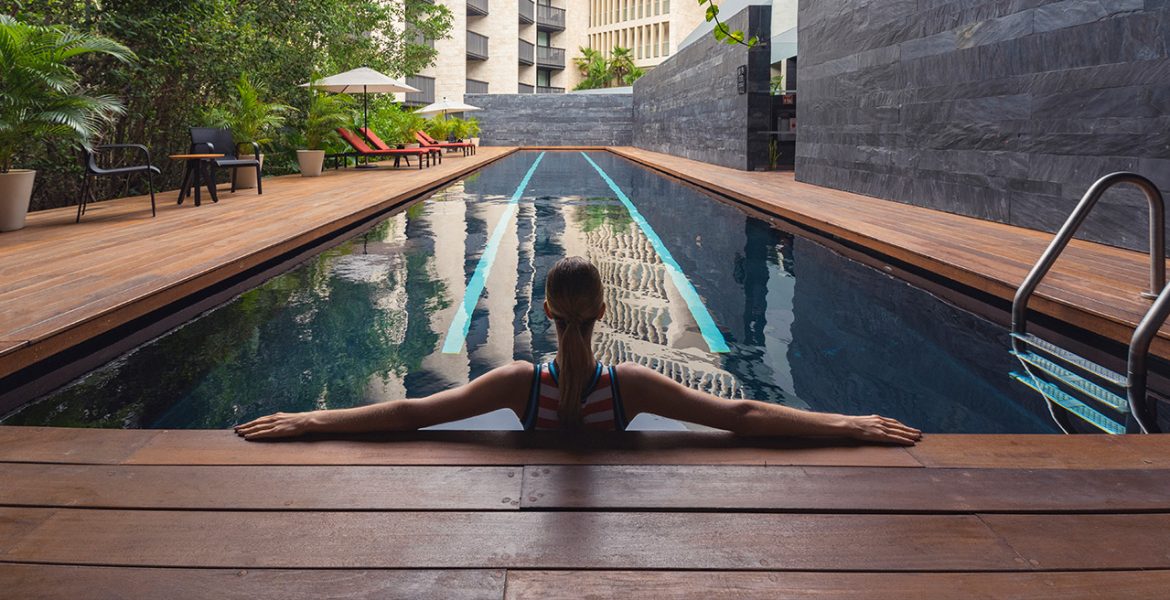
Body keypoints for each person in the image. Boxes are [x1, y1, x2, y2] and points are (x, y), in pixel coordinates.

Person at [235, 256, 922, 445]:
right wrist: (849, 424)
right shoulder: (627, 385)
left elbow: (414, 416)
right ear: (602, 311)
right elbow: (741, 415)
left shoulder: (516, 384)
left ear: (545, 311)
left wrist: (308, 421)